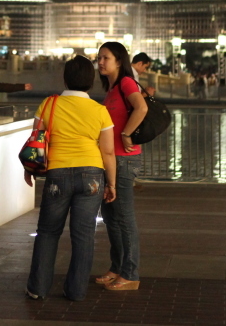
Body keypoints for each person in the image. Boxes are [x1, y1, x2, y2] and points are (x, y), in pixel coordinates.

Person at [25, 56, 116, 302]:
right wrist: (111, 184)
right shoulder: (100, 111)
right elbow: (107, 151)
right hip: (92, 175)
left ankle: (38, 288)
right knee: (84, 235)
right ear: (91, 80)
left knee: (47, 232)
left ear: (65, 78)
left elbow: (37, 140)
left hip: (57, 173)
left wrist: (30, 169)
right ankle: (75, 291)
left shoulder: (48, 104)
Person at [96, 41, 147, 291]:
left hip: (125, 160)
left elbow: (142, 107)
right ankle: (117, 268)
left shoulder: (126, 82)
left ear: (119, 60)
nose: (101, 62)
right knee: (111, 217)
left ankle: (131, 274)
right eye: (99, 58)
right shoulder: (112, 88)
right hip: (111, 160)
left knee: (124, 218)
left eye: (106, 58)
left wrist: (127, 134)